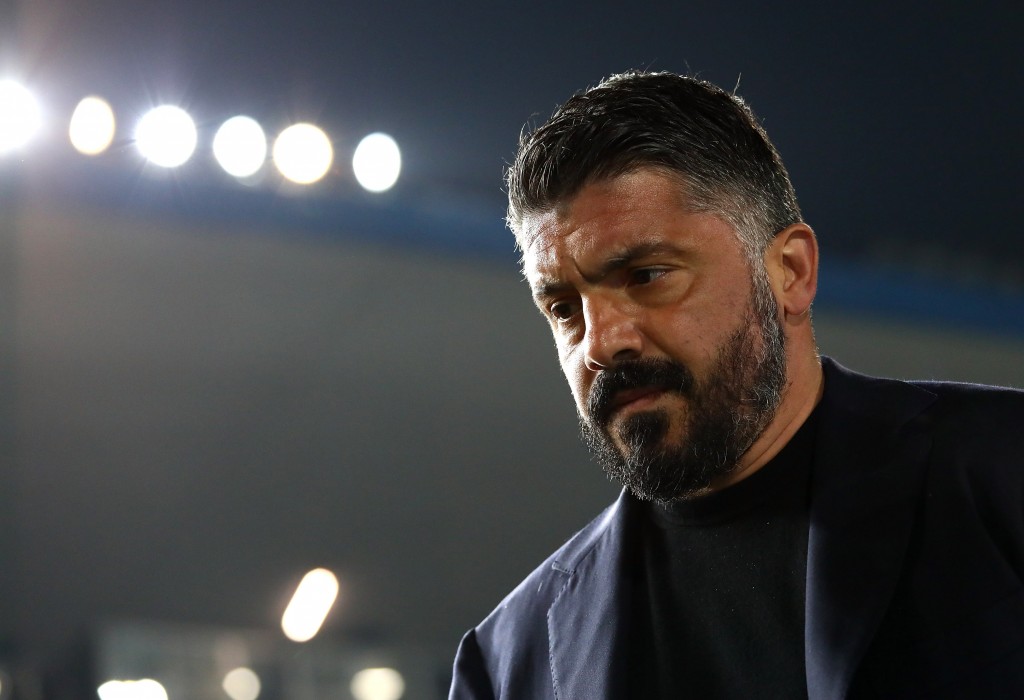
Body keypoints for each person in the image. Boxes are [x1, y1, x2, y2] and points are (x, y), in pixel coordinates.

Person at [448, 71, 1024, 699]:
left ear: (791, 272)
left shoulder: (1000, 472)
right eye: (563, 308)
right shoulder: (508, 663)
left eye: (647, 274)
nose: (600, 341)